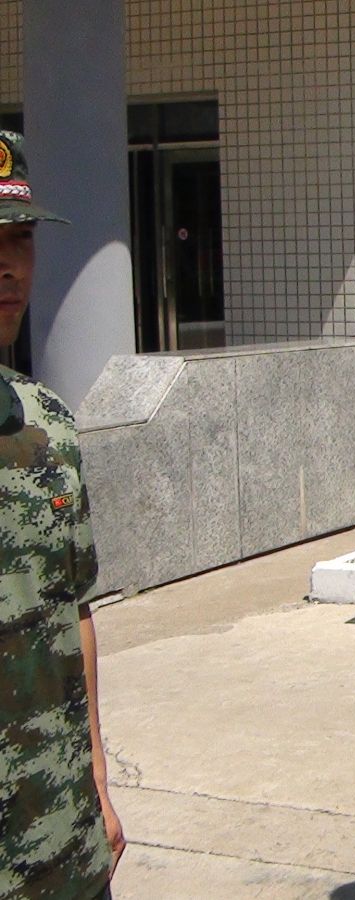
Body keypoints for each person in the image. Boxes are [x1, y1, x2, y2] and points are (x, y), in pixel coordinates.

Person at [0, 130, 125, 900]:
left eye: (20, 239)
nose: (9, 265)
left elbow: (74, 610)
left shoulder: (46, 423)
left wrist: (97, 783)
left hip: (63, 840)